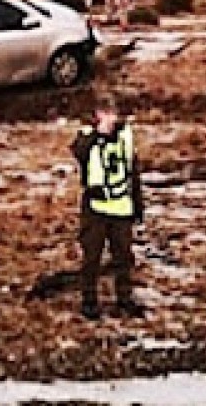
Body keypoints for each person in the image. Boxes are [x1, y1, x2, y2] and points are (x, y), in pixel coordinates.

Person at [70, 100, 145, 320]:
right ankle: (89, 302)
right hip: (95, 209)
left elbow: (133, 172)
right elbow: (79, 152)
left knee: (123, 256)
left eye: (112, 113)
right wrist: (97, 135)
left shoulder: (125, 138)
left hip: (121, 207)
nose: (110, 118)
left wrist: (138, 205)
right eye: (104, 113)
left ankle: (124, 299)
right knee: (91, 257)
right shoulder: (86, 137)